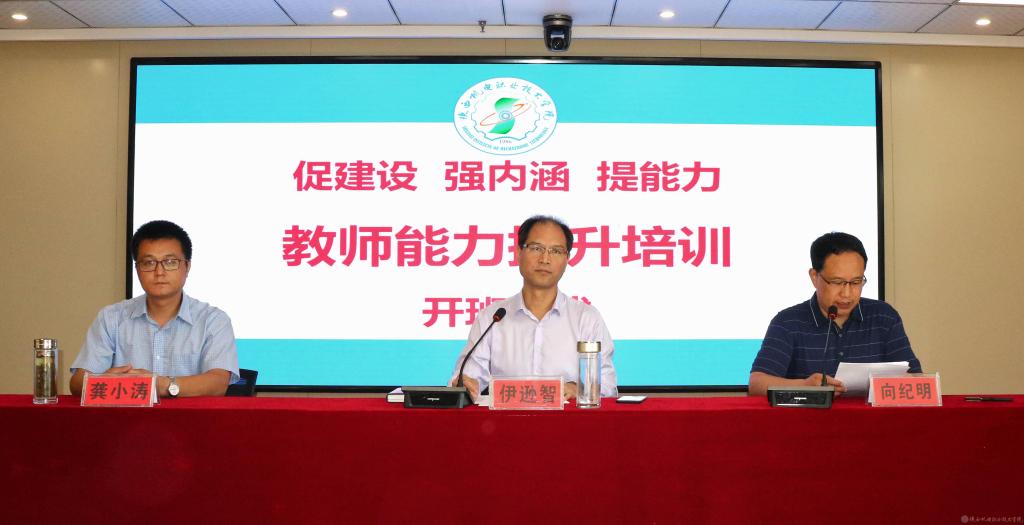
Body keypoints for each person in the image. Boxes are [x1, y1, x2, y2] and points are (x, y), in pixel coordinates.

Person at [450, 215, 617, 400]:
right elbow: (467, 377)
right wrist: (465, 383)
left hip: (568, 418)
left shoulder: (586, 318)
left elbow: (607, 387)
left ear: (567, 259)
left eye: (556, 251)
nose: (545, 259)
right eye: (536, 248)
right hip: (506, 418)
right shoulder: (492, 317)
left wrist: (578, 389)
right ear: (518, 252)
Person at [70, 220, 239, 398]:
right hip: (126, 416)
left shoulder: (213, 320)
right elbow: (77, 382)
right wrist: (104, 381)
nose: (159, 272)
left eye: (170, 262)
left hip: (189, 416)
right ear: (137, 269)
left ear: (187, 267)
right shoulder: (111, 318)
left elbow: (218, 383)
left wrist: (165, 386)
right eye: (149, 263)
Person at [748, 232, 922, 397]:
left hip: (872, 418)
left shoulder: (884, 317)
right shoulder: (788, 323)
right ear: (814, 277)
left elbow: (916, 379)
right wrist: (804, 386)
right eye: (837, 282)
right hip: (809, 418)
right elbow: (757, 384)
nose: (847, 293)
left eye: (856, 282)